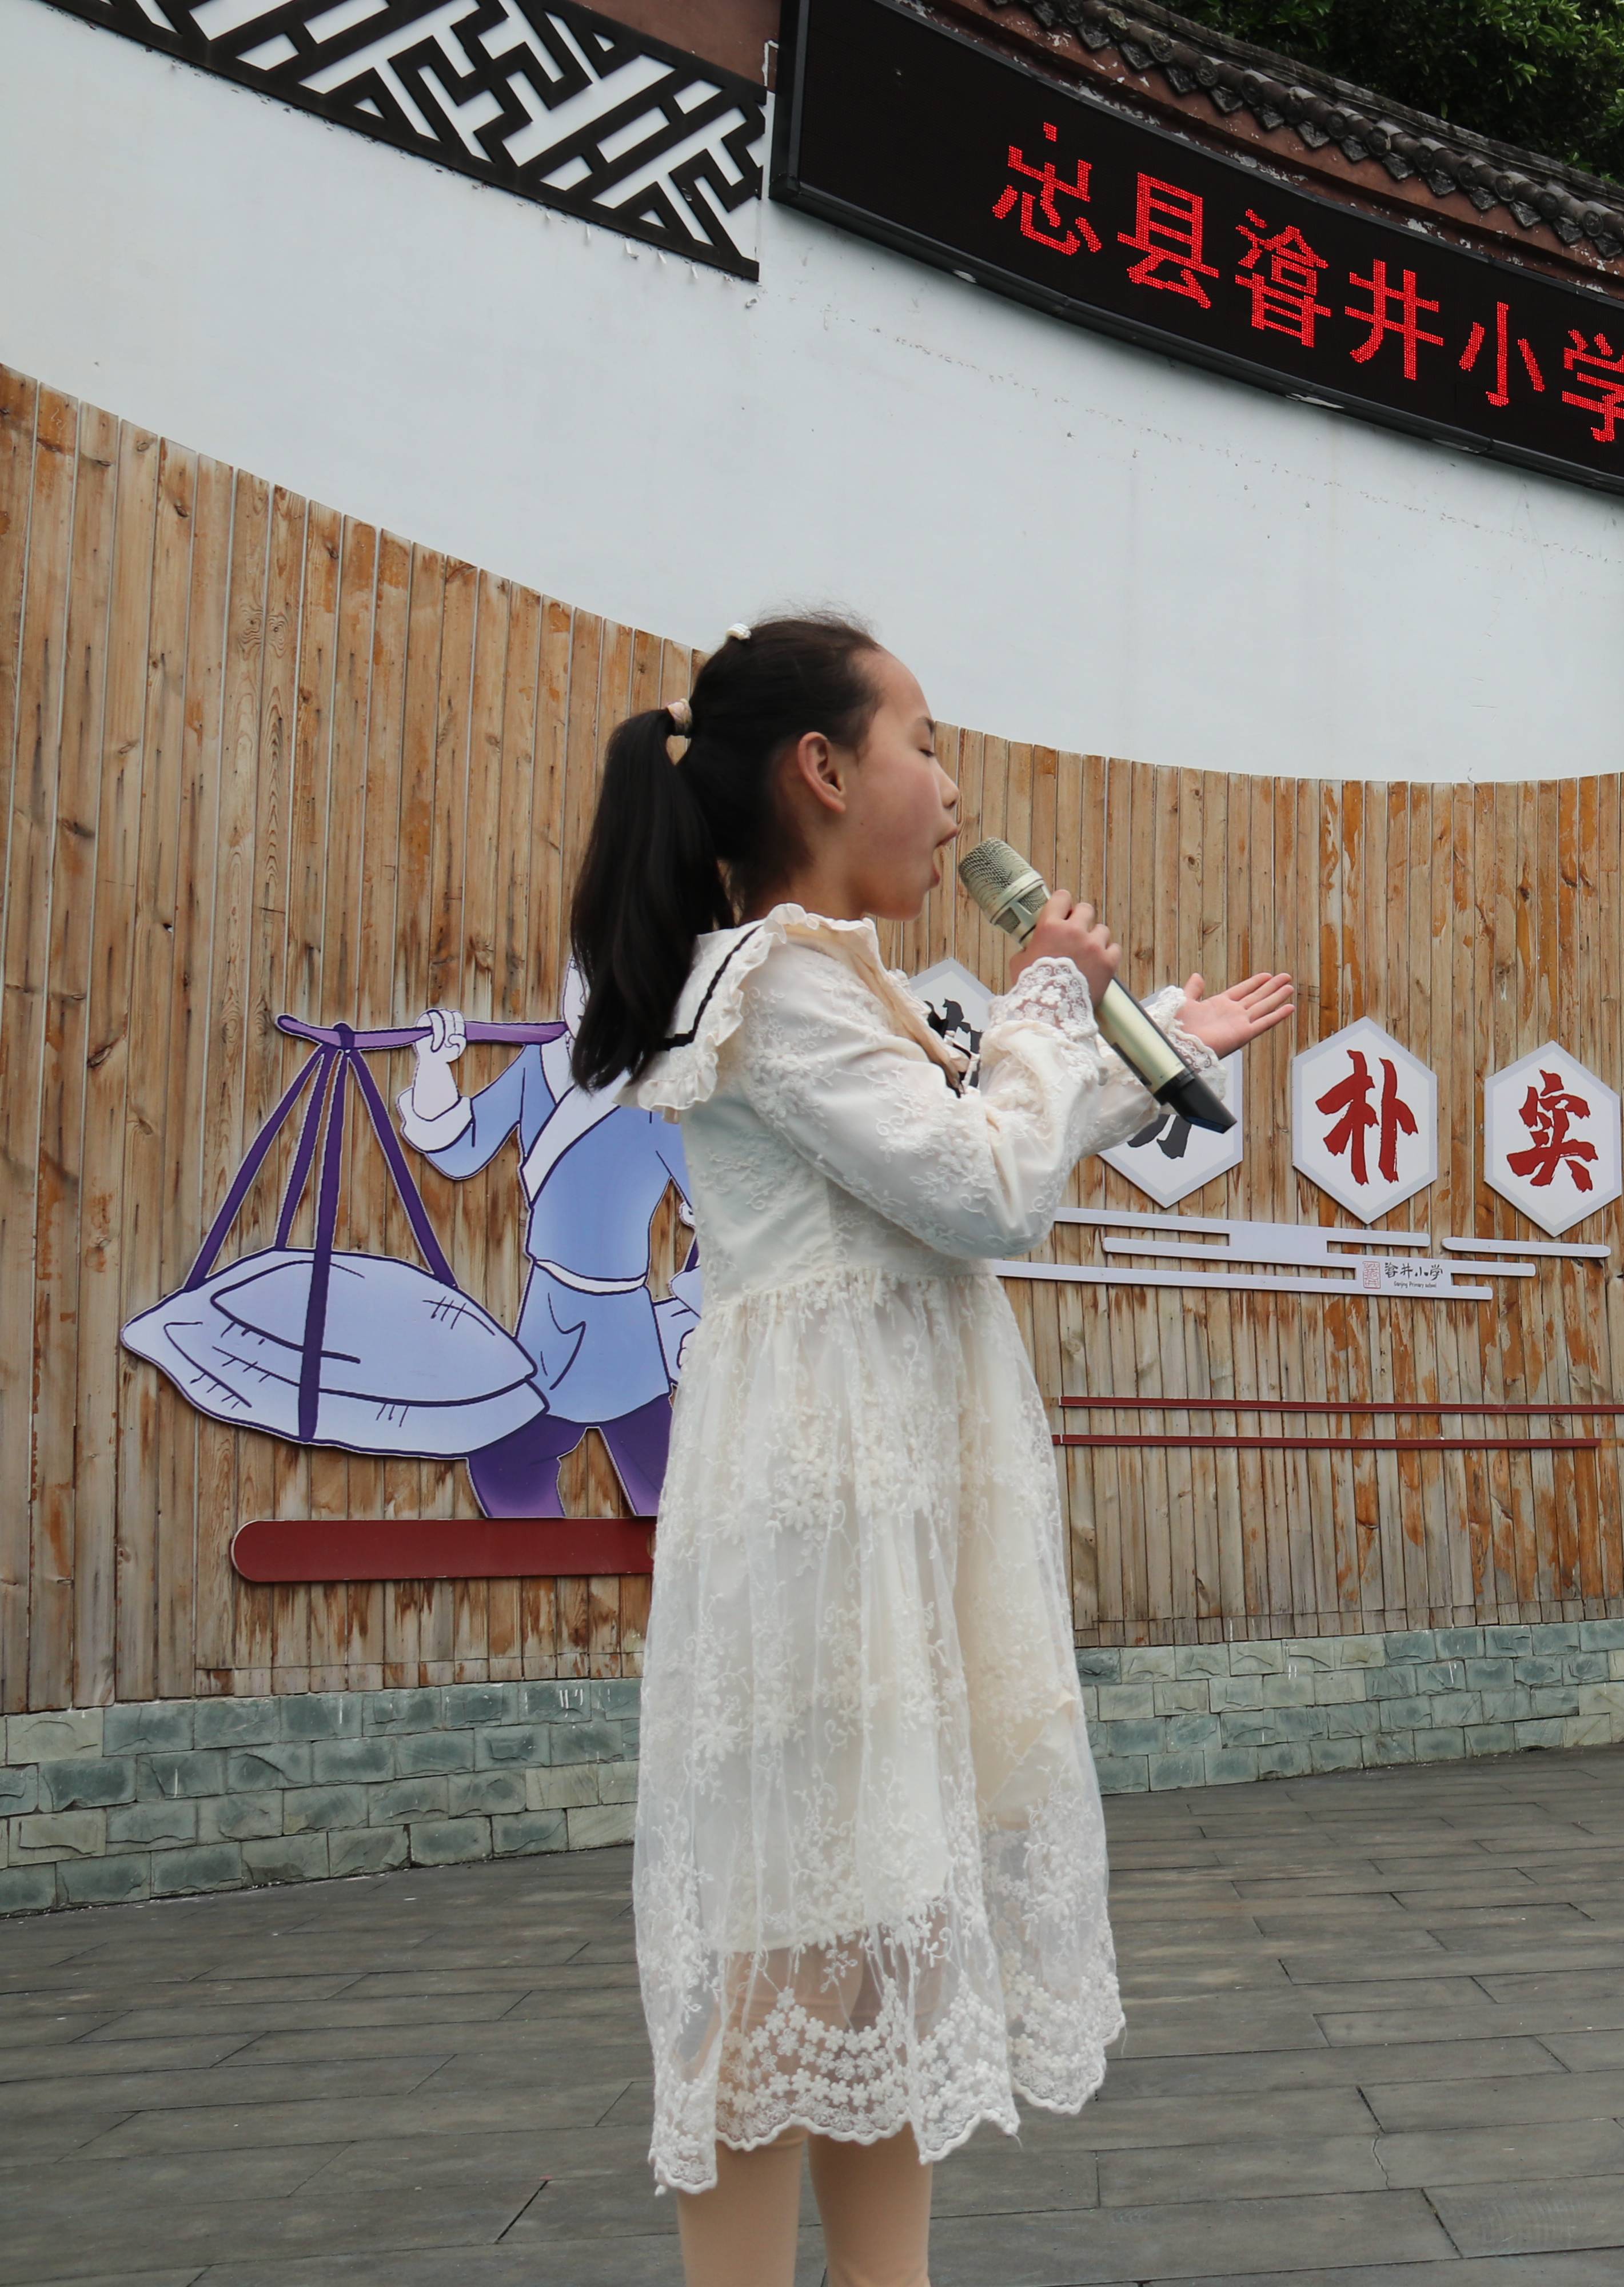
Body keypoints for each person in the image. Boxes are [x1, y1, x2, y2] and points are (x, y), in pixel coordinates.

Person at [563, 615, 1295, 2286]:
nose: (950, 786)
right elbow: (979, 1189)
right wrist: (1051, 998)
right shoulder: (776, 978)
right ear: (821, 772)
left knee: (873, 1936)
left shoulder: (836, 982)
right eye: (921, 741)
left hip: (872, 1497)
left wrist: (1135, 1045)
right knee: (785, 1960)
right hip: (826, 1517)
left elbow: (963, 1154)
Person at [396, 959, 696, 1517]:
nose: (589, 997)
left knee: (668, 1484)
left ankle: (681, 1575)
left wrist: (698, 1313)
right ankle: (543, 1558)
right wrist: (435, 1065)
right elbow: (462, 1146)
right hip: (548, 1315)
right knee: (505, 1467)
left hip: (621, 1321)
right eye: (583, 977)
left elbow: (720, 1206)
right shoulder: (539, 1066)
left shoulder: (659, 1096)